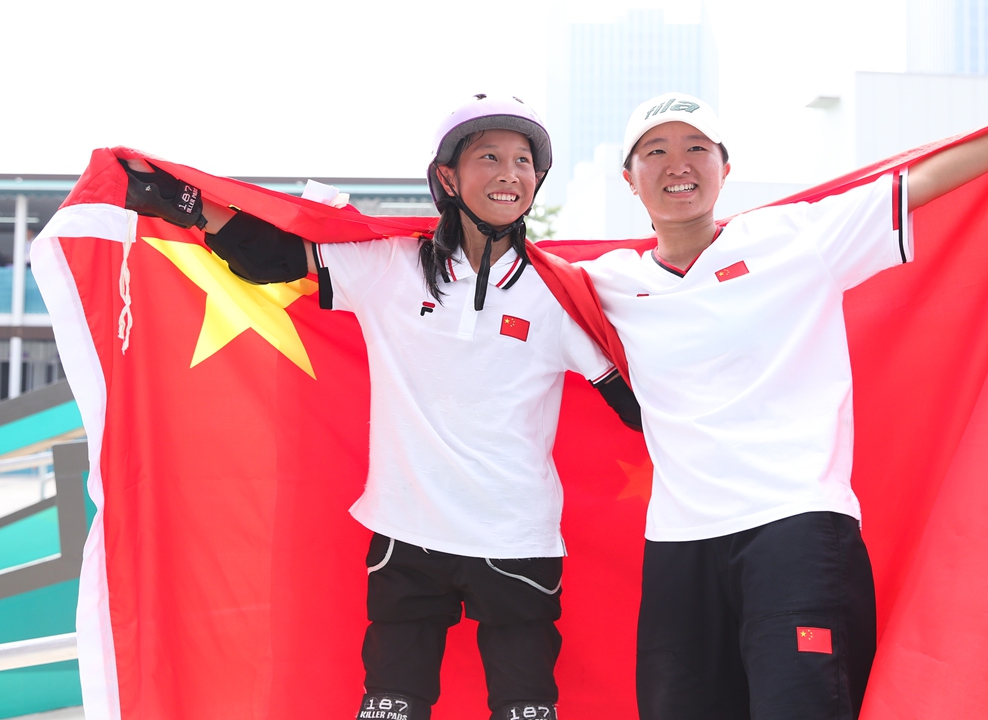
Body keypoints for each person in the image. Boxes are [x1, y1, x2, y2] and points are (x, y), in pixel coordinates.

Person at [578, 92, 988, 720]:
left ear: (725, 168)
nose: (677, 164)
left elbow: (917, 184)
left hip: (794, 531)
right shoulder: (608, 283)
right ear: (629, 180)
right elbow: (505, 278)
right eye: (655, 152)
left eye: (696, 150)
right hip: (679, 545)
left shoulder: (795, 238)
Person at [121, 94, 640, 720]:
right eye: (490, 158)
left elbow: (639, 407)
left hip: (516, 534)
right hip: (407, 531)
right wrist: (184, 205)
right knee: (391, 704)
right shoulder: (394, 265)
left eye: (524, 161)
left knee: (526, 706)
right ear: (447, 178)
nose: (510, 174)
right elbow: (272, 260)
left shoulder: (559, 292)